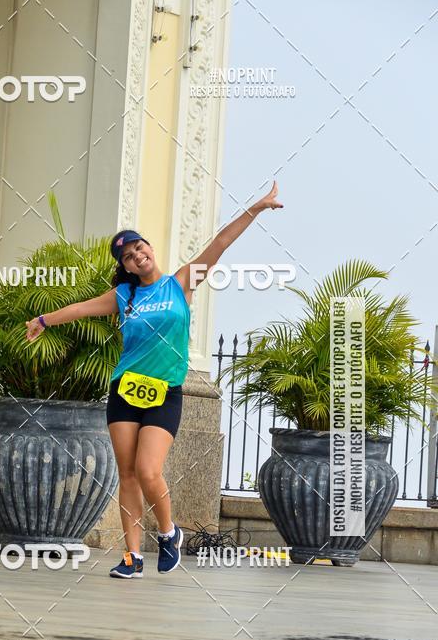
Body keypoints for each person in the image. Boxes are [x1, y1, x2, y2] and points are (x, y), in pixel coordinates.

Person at [26, 181, 283, 579]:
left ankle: (168, 532)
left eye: (139, 248)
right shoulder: (124, 296)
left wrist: (258, 207)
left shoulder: (180, 283)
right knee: (126, 474)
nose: (137, 256)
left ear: (149, 249)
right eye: (129, 257)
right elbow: (80, 309)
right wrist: (43, 320)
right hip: (125, 390)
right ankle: (132, 557)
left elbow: (221, 242)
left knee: (148, 471)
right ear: (126, 266)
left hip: (165, 393)